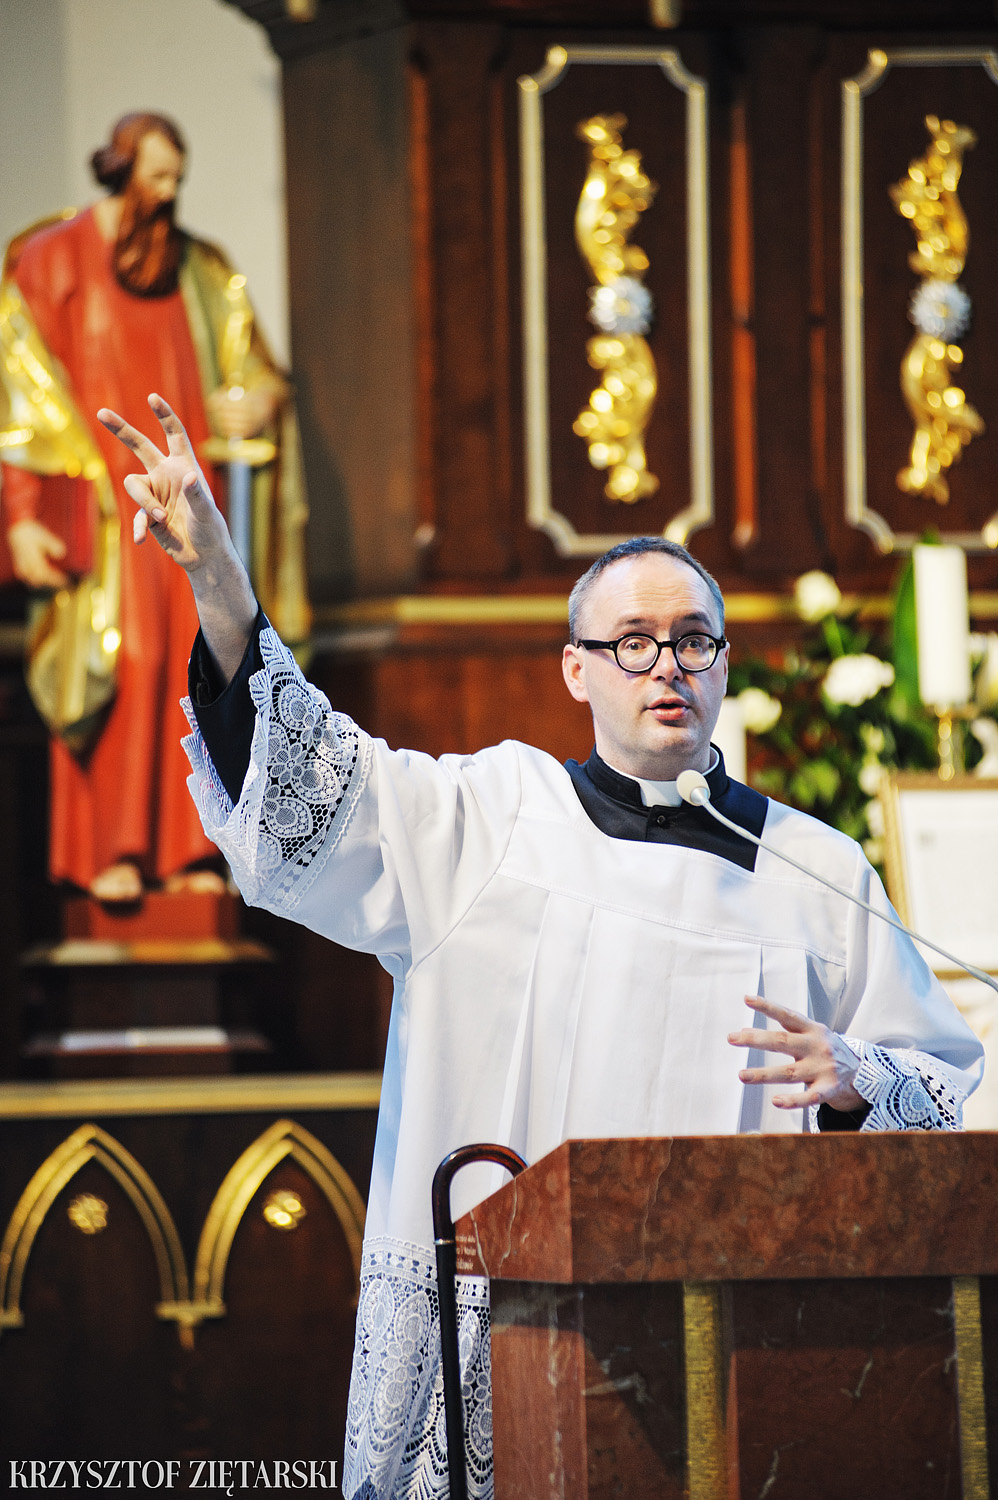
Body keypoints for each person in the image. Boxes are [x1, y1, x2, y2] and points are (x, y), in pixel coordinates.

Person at [101, 396, 982, 1500]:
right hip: (510, 1337)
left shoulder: (818, 871)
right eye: (632, 643)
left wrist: (857, 1080)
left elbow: (936, 1095)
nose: (666, 667)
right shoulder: (485, 819)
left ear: (723, 667)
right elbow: (311, 774)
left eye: (693, 641)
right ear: (577, 670)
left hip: (751, 1350)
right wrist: (221, 585)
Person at [0, 113, 308, 901]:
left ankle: (193, 853)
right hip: (102, 516)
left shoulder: (201, 269)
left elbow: (258, 375)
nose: (168, 195)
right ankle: (109, 853)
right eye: (156, 178)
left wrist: (256, 403)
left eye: (177, 180)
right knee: (122, 665)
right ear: (119, 173)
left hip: (188, 513)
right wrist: (22, 516)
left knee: (196, 663)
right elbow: (20, 401)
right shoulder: (50, 260)